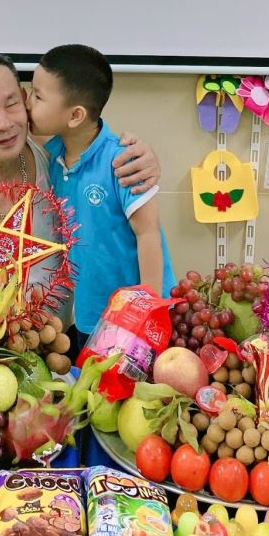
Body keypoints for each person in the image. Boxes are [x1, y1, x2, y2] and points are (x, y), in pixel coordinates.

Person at [0, 53, 160, 294]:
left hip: (74, 328)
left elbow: (101, 149)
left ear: (25, 100)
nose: (5, 124)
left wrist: (143, 158)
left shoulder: (55, 153)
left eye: (12, 104)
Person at [27, 44, 175, 344]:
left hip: (134, 317)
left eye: (37, 96)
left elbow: (148, 234)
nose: (28, 102)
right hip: (90, 311)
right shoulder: (56, 155)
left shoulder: (123, 161)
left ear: (75, 115)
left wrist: (148, 312)